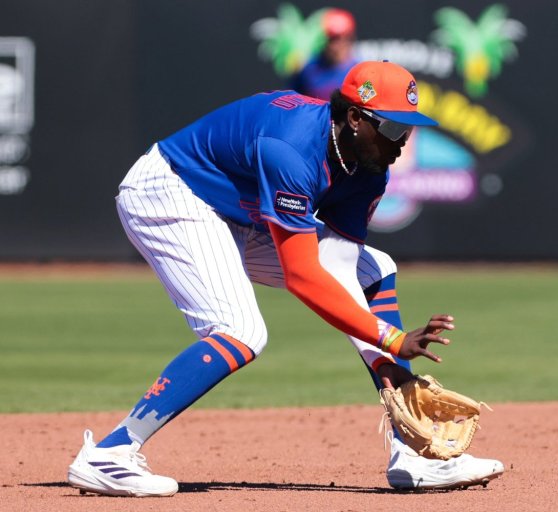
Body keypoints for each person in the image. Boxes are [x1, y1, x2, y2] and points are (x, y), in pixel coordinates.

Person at [66, 61, 504, 497]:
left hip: (238, 214)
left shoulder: (370, 170)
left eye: (408, 129)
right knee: (241, 332)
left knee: (375, 271)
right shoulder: (292, 149)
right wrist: (390, 339)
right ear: (355, 118)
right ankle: (111, 453)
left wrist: (386, 352)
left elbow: (340, 269)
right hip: (172, 192)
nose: (402, 141)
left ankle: (413, 452)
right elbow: (303, 275)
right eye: (392, 128)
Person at [290, 8, 358, 101]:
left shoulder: (361, 74)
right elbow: (293, 102)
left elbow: (370, 104)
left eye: (342, 38)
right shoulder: (308, 71)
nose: (336, 46)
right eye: (331, 39)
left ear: (351, 38)